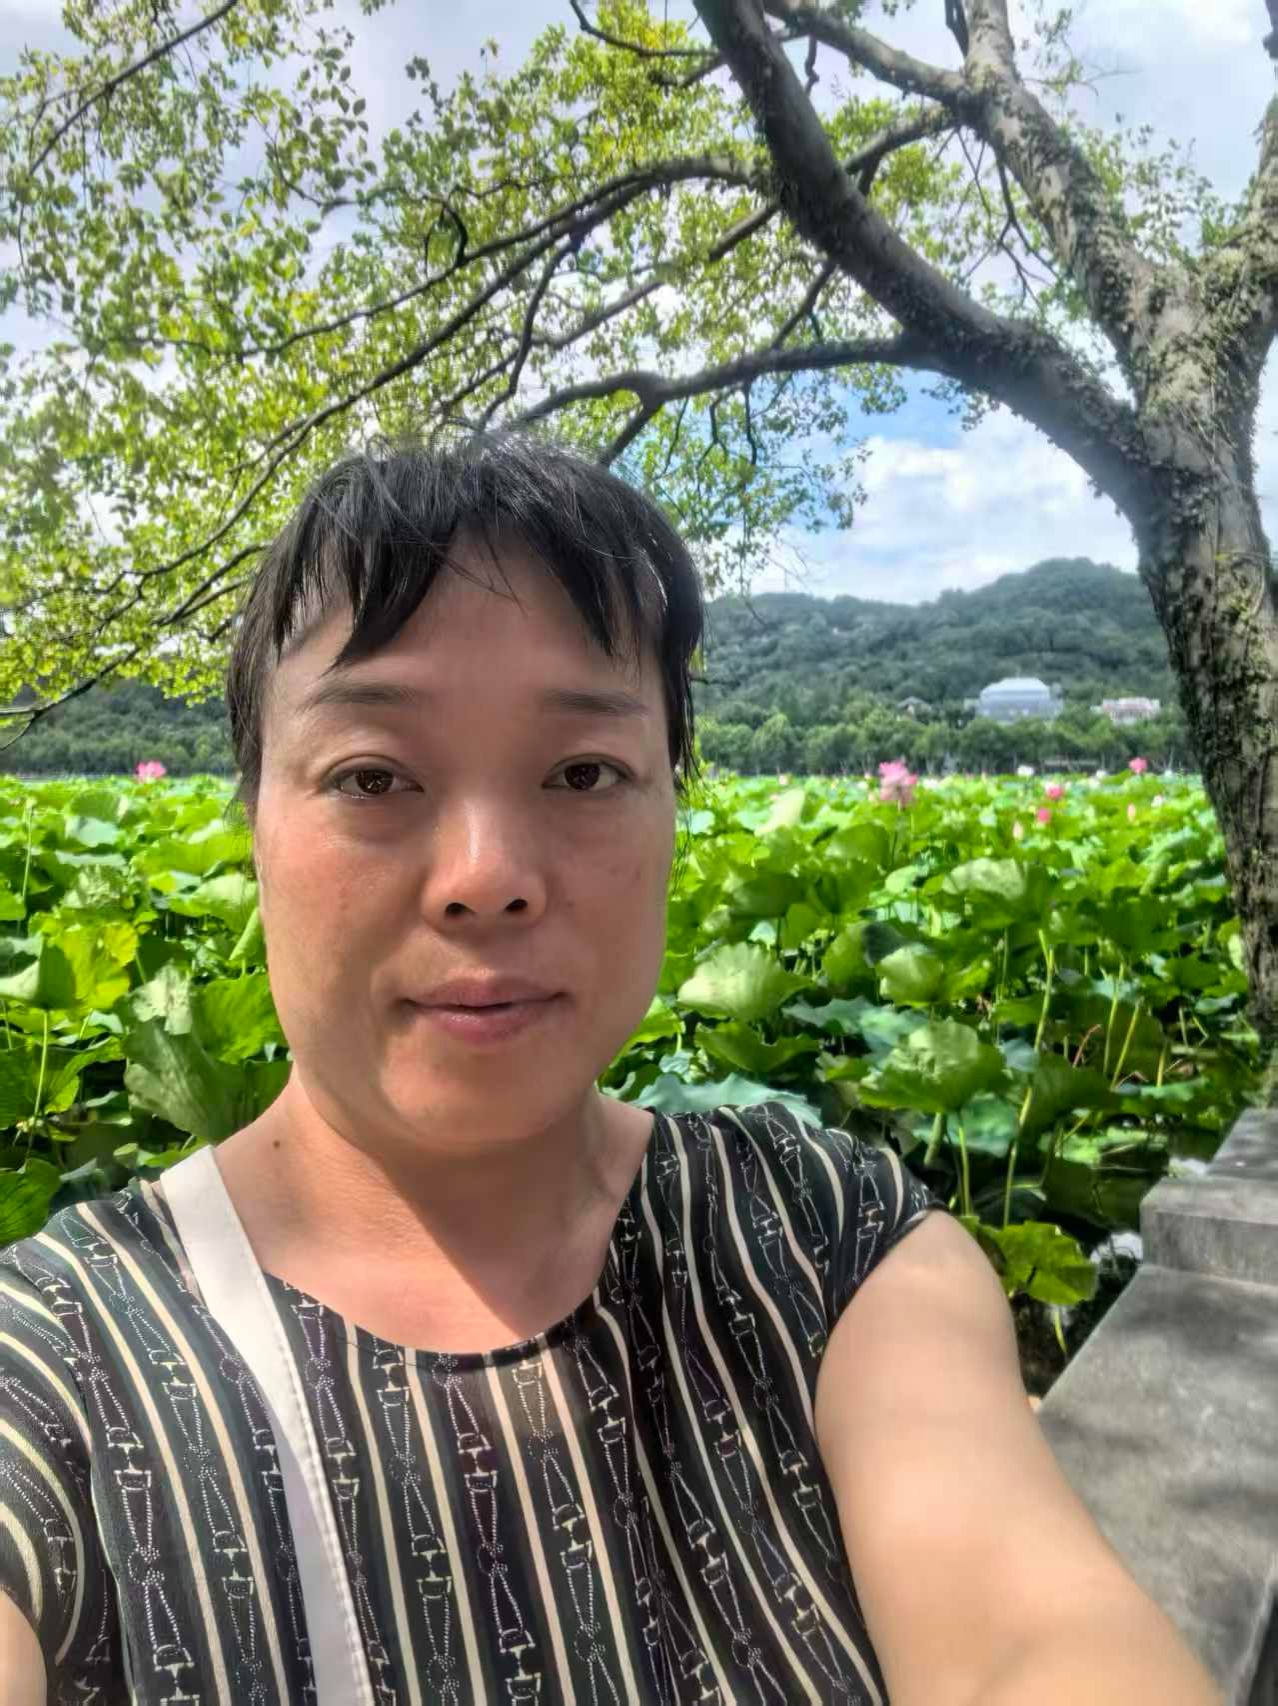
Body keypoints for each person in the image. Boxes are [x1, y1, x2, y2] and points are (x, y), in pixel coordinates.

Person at [0, 437, 1220, 1705]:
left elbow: (1035, 1640)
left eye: (584, 771)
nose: (486, 874)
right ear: (251, 813)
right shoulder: (58, 1358)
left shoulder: (824, 1243)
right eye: (372, 774)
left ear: (673, 805)